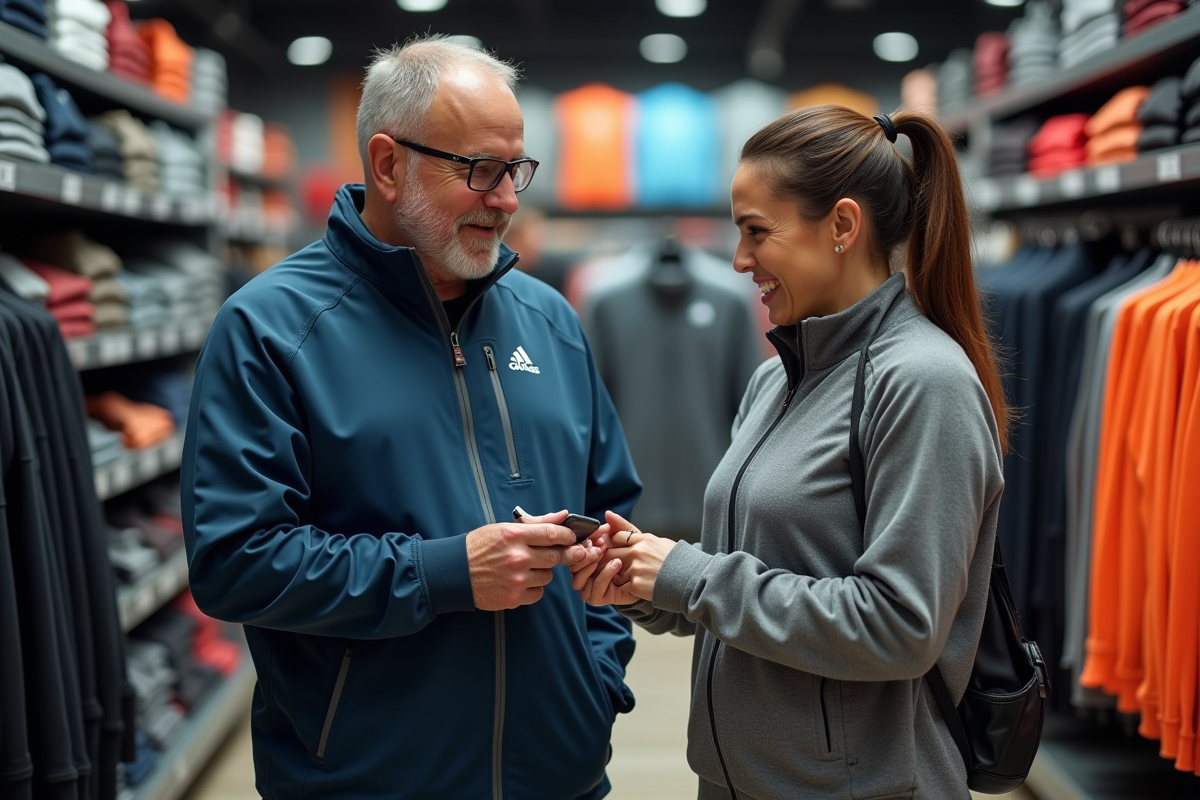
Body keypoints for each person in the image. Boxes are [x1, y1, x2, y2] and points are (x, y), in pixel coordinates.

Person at [181, 35, 641, 799]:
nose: (507, 199)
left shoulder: (551, 322)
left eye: (516, 169)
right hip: (368, 780)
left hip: (560, 774)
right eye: (480, 171)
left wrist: (597, 687)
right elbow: (235, 563)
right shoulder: (270, 330)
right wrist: (445, 572)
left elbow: (611, 511)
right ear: (389, 165)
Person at [573, 105, 1010, 800]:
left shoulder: (924, 382)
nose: (740, 260)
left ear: (842, 226)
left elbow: (900, 627)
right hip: (739, 779)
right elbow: (746, 578)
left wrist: (686, 574)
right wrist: (641, 581)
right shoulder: (774, 377)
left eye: (756, 232)